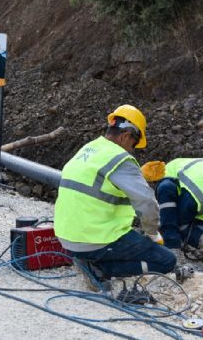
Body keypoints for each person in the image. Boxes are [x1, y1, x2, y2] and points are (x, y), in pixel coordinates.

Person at [54, 105, 176, 291]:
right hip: (96, 239)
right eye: (134, 144)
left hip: (67, 237)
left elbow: (99, 182)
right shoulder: (121, 160)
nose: (132, 150)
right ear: (126, 135)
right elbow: (147, 203)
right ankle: (100, 269)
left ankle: (87, 260)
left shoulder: (89, 149)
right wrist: (151, 232)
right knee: (167, 260)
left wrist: (138, 175)